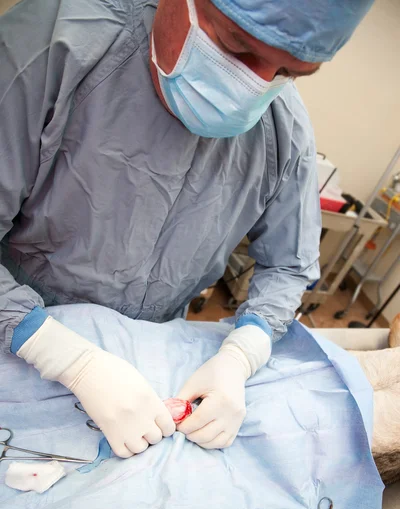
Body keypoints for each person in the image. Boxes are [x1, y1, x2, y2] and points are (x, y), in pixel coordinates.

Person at [0, 0, 373, 457]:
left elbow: (290, 267)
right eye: (237, 47)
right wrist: (60, 354)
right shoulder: (53, 46)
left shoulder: (283, 131)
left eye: (289, 72)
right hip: (15, 340)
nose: (253, 86)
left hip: (151, 359)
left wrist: (241, 355)